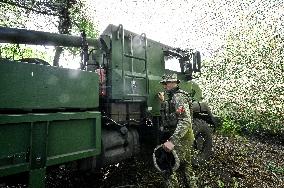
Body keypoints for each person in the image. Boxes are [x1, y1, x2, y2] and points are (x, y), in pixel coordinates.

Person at [158, 73, 197, 188]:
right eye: (164, 84)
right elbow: (174, 114)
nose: (164, 86)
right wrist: (163, 102)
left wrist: (172, 141)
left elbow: (185, 121)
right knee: (186, 166)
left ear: (173, 83)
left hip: (181, 137)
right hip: (185, 136)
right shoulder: (174, 96)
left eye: (166, 83)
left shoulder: (178, 97)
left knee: (167, 167)